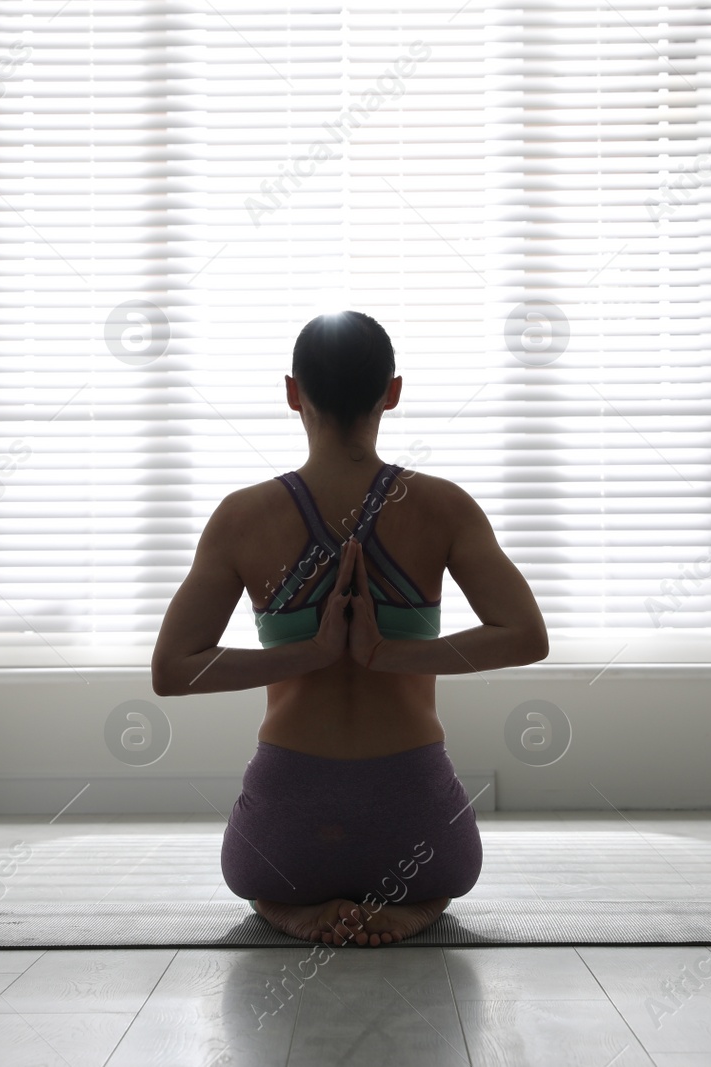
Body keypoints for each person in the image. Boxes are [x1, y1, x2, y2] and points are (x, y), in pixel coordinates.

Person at [151, 311, 548, 946]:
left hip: (286, 840)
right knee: (448, 873)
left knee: (255, 877)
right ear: (392, 391)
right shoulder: (443, 507)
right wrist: (387, 654)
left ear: (292, 393)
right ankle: (418, 906)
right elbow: (527, 635)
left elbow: (171, 671)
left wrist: (307, 652)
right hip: (416, 831)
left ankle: (288, 908)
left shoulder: (243, 517)